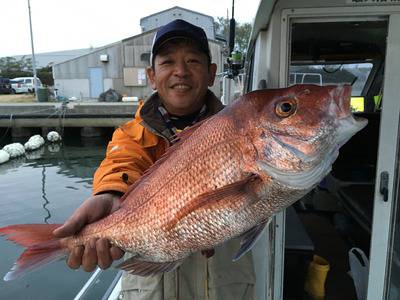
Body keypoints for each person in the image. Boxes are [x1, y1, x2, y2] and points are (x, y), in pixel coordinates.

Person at [53, 19, 255, 300]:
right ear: (151, 75)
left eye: (193, 61)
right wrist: (110, 194)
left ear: (211, 73)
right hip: (152, 287)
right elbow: (121, 163)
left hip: (225, 285)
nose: (181, 72)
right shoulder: (130, 134)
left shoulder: (239, 131)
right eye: (168, 62)